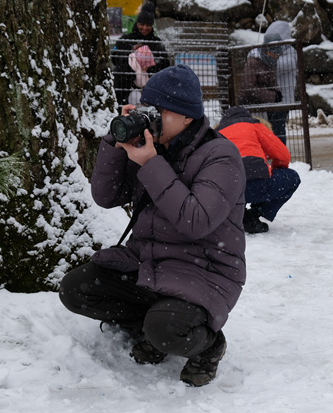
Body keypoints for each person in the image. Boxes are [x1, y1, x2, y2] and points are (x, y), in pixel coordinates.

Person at [59, 64, 247, 387]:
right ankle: (151, 326)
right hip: (148, 264)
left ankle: (209, 345)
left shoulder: (220, 156)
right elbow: (104, 196)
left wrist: (151, 164)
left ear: (187, 117)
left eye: (160, 111)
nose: (153, 117)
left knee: (166, 329)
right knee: (76, 289)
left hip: (203, 272)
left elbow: (195, 220)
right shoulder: (153, 146)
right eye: (149, 108)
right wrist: (116, 144)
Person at [216, 106, 301, 233]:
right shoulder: (254, 125)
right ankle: (254, 215)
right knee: (292, 178)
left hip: (228, 191)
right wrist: (274, 171)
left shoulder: (216, 133)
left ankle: (237, 213)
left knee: (233, 180)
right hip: (257, 184)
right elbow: (283, 155)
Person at [110, 2, 169, 106]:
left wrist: (149, 65)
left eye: (148, 25)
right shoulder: (125, 40)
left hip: (149, 84)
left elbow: (165, 64)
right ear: (136, 24)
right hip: (126, 83)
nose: (144, 28)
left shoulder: (156, 42)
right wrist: (131, 54)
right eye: (141, 24)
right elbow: (115, 58)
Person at [238, 33, 284, 128]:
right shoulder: (253, 62)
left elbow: (272, 81)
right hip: (250, 104)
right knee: (258, 129)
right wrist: (272, 96)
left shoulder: (271, 62)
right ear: (267, 51)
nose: (276, 56)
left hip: (264, 104)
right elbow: (249, 87)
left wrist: (277, 92)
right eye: (275, 53)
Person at [264, 21, 298, 145]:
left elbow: (280, 66)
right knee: (271, 128)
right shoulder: (271, 52)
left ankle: (280, 153)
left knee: (278, 128)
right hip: (271, 97)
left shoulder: (290, 52)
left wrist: (265, 60)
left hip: (283, 99)